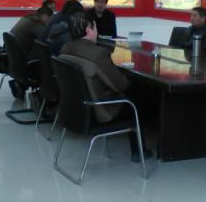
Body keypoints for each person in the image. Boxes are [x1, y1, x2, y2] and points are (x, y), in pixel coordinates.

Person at [60, 11, 150, 161]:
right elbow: (121, 86)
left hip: (77, 109)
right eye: (95, 27)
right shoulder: (98, 54)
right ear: (89, 30)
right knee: (138, 97)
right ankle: (139, 151)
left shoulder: (66, 47)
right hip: (102, 111)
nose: (97, 31)